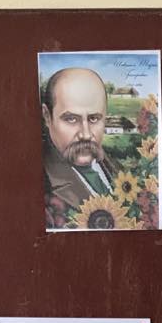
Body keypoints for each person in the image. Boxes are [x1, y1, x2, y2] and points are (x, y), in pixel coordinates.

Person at [41, 66, 119, 228]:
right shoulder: (43, 185)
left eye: (94, 119)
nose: (85, 134)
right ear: (47, 117)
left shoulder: (117, 168)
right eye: (71, 119)